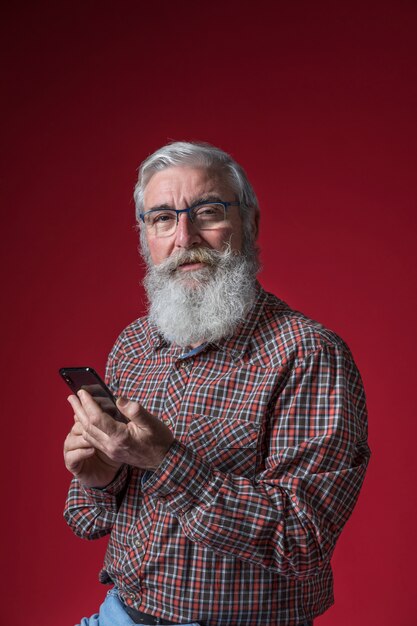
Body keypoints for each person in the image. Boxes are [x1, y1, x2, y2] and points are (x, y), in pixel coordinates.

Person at [63, 141, 370, 626]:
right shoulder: (134, 345)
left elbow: (302, 538)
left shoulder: (307, 354)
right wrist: (99, 481)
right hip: (119, 615)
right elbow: (88, 520)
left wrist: (163, 462)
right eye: (162, 218)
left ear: (250, 224)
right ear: (146, 236)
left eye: (207, 212)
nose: (185, 237)